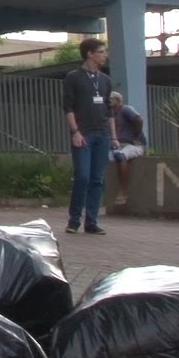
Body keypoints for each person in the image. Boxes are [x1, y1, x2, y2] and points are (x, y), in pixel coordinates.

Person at [63, 38, 119, 235]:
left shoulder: (105, 80)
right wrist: (75, 131)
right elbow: (68, 107)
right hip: (83, 134)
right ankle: (74, 220)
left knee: (97, 179)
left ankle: (91, 222)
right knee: (82, 177)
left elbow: (109, 110)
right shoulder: (74, 77)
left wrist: (113, 137)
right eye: (101, 52)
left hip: (102, 134)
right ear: (90, 54)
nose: (105, 55)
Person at [109, 91, 146, 206]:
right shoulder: (111, 114)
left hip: (134, 145)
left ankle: (123, 190)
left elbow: (139, 119)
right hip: (120, 145)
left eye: (111, 99)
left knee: (121, 156)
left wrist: (136, 136)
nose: (109, 101)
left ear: (118, 100)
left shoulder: (126, 109)